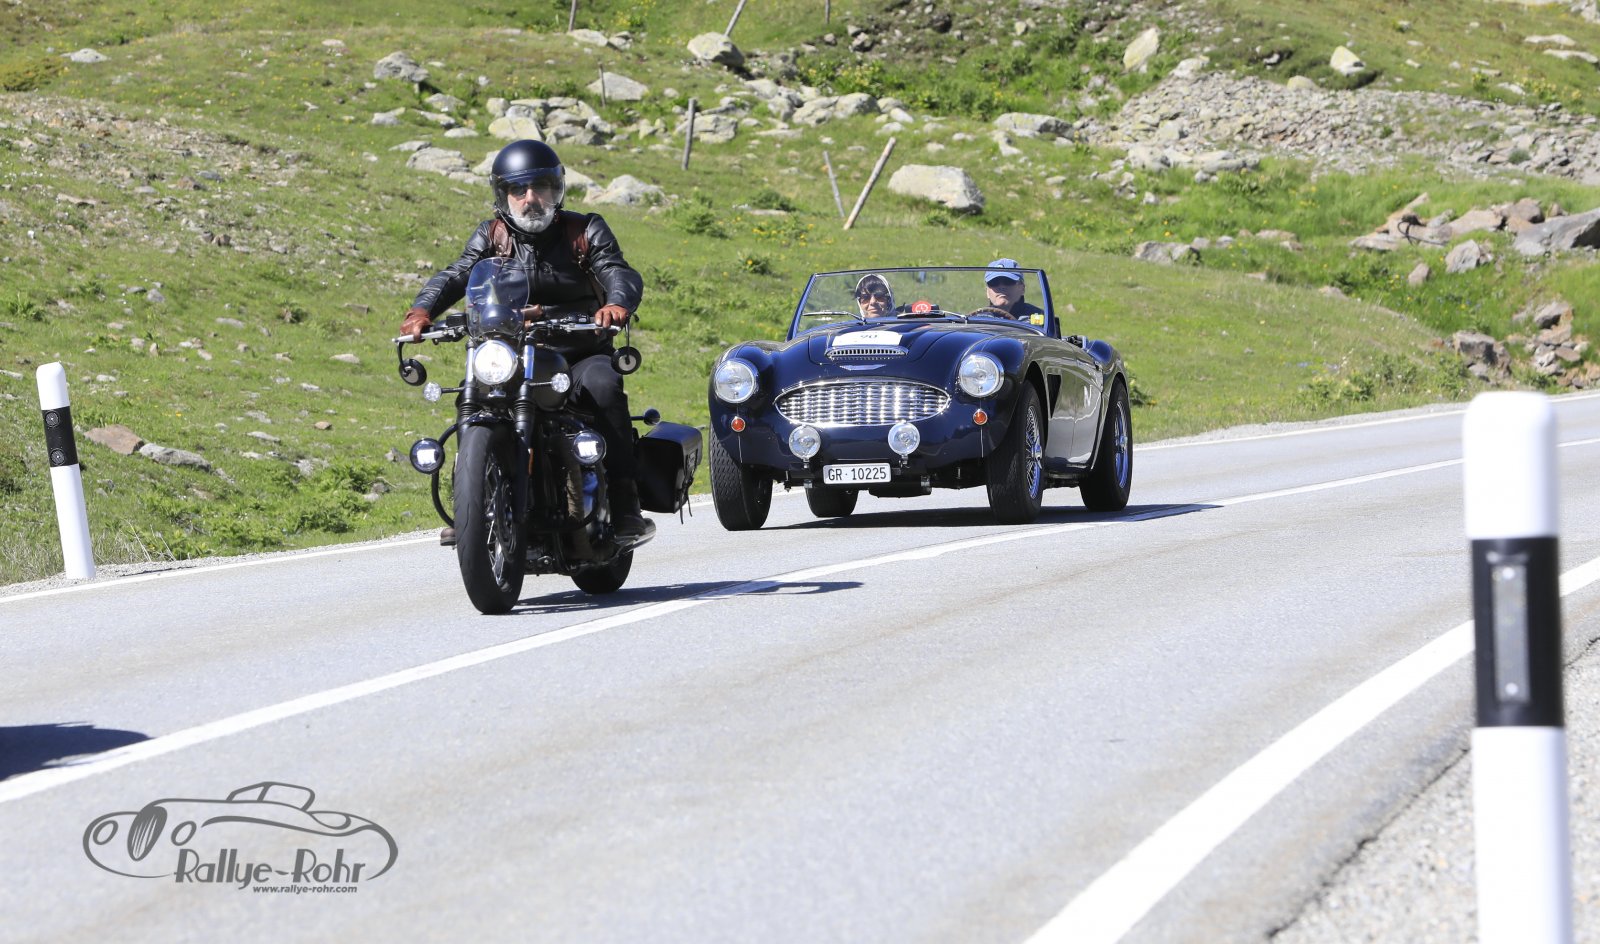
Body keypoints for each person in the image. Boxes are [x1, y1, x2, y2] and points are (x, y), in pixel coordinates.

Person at [398, 139, 654, 541]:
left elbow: (615, 270)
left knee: (604, 386)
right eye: (518, 189)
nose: (530, 199)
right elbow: (458, 273)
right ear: (503, 195)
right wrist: (421, 310)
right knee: (471, 392)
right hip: (511, 354)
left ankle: (625, 501)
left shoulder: (585, 230)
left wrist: (617, 303)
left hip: (578, 352)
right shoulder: (492, 235)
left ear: (556, 189)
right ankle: (472, 507)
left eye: (540, 187)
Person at [982, 258, 1045, 323]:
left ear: (1022, 288)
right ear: (987, 292)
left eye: (1008, 281)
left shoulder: (1040, 318)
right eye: (994, 282)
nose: (1001, 287)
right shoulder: (978, 319)